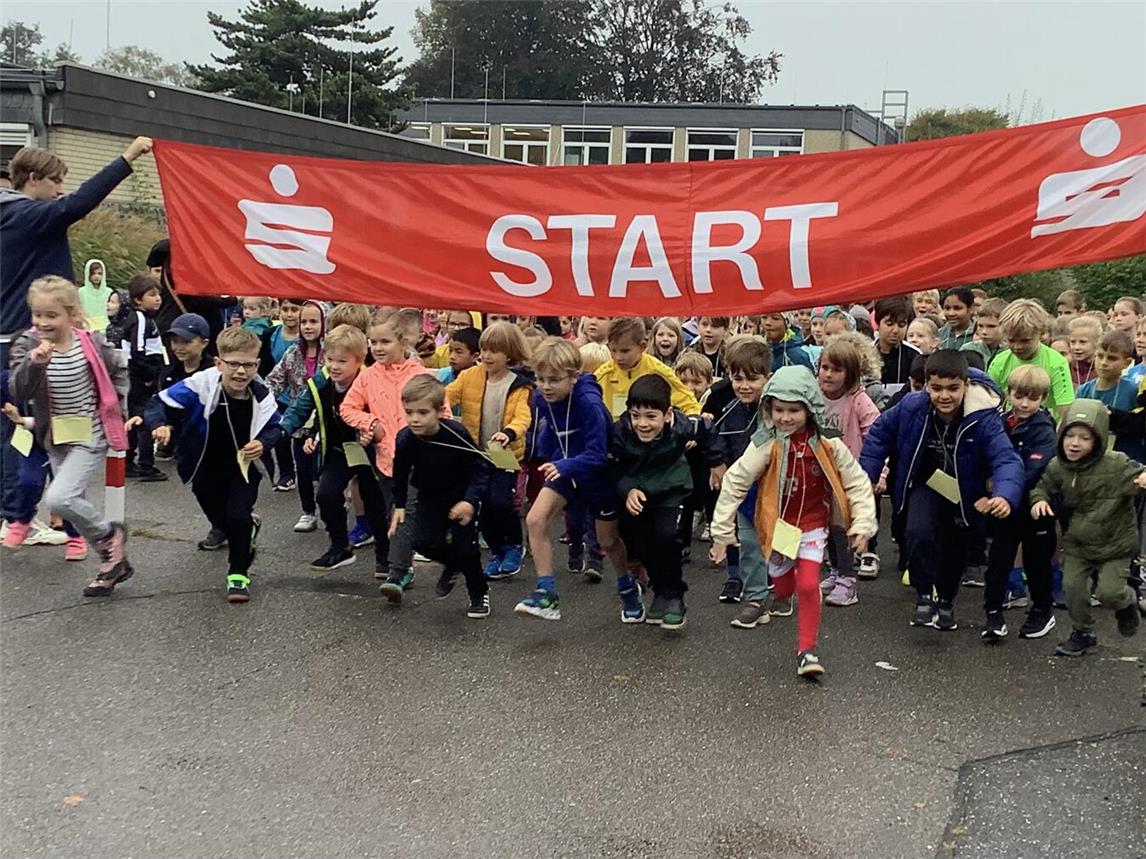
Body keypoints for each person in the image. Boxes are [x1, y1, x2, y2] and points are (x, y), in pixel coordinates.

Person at [0, 137, 151, 532]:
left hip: (9, 336)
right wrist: (127, 158)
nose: (60, 191)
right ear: (33, 179)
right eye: (55, 182)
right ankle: (28, 515)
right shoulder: (29, 214)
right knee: (52, 425)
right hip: (33, 340)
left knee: (21, 429)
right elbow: (79, 203)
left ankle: (34, 514)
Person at [711, 366, 877, 678]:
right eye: (779, 410)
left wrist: (863, 522)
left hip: (813, 524)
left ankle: (807, 650)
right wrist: (721, 529)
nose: (786, 418)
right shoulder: (766, 443)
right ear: (769, 410)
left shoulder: (828, 443)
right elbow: (736, 480)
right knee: (784, 583)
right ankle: (781, 590)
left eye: (794, 410)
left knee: (809, 583)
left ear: (810, 409)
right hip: (778, 527)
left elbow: (855, 480)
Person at [860, 350, 1025, 631]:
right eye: (936, 388)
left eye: (953, 388)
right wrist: (866, 478)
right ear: (926, 385)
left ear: (966, 385)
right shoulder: (912, 406)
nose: (944, 396)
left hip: (966, 490)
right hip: (927, 482)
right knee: (917, 533)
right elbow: (879, 435)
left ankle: (946, 600)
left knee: (953, 549)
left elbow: (1005, 458)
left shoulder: (982, 417)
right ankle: (924, 595)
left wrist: (1004, 494)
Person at [9, 276, 133, 597]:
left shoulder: (91, 341)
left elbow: (118, 369)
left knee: (60, 498)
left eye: (51, 315)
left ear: (70, 313)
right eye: (37, 314)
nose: (43, 322)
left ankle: (109, 537)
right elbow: (18, 388)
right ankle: (112, 564)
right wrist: (34, 364)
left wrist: (119, 408)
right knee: (71, 499)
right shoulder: (27, 343)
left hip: (91, 431)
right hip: (56, 434)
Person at [150, 326, 279, 602]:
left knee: (238, 516)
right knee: (219, 516)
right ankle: (241, 530)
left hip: (243, 468)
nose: (240, 372)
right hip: (204, 465)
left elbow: (277, 427)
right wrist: (160, 424)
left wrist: (264, 443)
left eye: (247, 365)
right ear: (219, 363)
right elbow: (159, 403)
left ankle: (238, 574)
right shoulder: (202, 385)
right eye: (233, 364)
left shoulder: (261, 394)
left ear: (257, 364)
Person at [1031, 400, 1145, 655]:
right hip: (1078, 544)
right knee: (1072, 590)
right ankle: (1083, 632)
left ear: (1099, 440)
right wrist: (1039, 501)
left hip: (1114, 543)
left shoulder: (1116, 463)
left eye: (1084, 438)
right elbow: (1042, 486)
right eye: (1070, 435)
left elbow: (1138, 476)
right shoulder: (1057, 466)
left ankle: (1127, 603)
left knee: (1109, 593)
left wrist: (1142, 479)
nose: (1074, 443)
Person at [340, 312, 447, 583]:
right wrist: (370, 422)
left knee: (406, 516)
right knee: (393, 515)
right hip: (386, 461)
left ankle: (397, 574)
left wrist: (431, 436)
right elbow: (348, 408)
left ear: (403, 341)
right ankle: (410, 564)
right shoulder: (368, 377)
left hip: (419, 461)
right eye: (372, 342)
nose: (377, 348)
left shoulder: (420, 374)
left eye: (385, 341)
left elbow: (443, 413)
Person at [515, 338, 615, 622]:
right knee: (535, 520)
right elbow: (553, 428)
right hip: (566, 467)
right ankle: (547, 594)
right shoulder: (540, 397)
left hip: (597, 472)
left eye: (554, 380)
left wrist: (565, 463)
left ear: (574, 376)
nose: (545, 386)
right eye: (540, 378)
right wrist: (546, 455)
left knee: (609, 539)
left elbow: (599, 454)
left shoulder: (588, 403)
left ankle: (627, 585)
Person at [612, 374, 717, 630]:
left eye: (651, 416)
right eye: (636, 415)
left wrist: (717, 463)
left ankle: (675, 596)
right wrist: (628, 489)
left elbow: (709, 431)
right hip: (639, 493)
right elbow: (612, 466)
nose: (642, 423)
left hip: (673, 490)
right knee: (641, 543)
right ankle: (660, 591)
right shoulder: (621, 432)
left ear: (667, 414)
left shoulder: (683, 425)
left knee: (668, 538)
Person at [389, 376, 492, 618]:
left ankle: (479, 592)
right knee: (423, 542)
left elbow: (481, 467)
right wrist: (400, 505)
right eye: (409, 412)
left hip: (461, 495)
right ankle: (453, 563)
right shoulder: (406, 438)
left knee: (466, 547)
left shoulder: (455, 433)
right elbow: (400, 472)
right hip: (430, 496)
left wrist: (469, 500)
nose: (415, 419)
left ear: (439, 411)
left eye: (423, 412)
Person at [445, 321, 533, 580]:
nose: (486, 356)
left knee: (501, 502)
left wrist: (509, 433)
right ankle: (497, 551)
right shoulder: (469, 375)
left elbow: (522, 417)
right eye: (483, 349)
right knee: (480, 504)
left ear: (509, 353)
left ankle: (514, 546)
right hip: (477, 454)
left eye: (494, 350)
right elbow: (447, 396)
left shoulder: (519, 385)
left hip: (505, 456)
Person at [981, 365, 1059, 643]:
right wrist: (989, 477)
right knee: (998, 561)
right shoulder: (1000, 422)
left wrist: (1003, 483)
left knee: (1037, 562)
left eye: (1033, 398)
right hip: (1005, 508)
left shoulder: (1044, 429)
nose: (1025, 403)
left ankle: (1041, 609)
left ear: (1043, 399)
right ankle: (992, 613)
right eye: (1019, 396)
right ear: (1009, 393)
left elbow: (1034, 468)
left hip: (1035, 505)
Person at [706, 338, 771, 617]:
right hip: (744, 488)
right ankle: (756, 598)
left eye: (752, 379)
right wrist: (716, 463)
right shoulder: (730, 408)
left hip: (775, 486)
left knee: (783, 543)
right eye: (737, 379)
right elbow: (714, 436)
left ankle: (782, 587)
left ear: (767, 377)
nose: (744, 386)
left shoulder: (776, 408)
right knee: (748, 541)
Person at [818, 338, 881, 603]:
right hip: (820, 472)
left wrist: (879, 474)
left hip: (847, 475)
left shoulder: (859, 401)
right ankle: (835, 569)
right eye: (824, 367)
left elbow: (877, 437)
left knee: (842, 526)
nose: (829, 374)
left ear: (851, 373)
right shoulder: (814, 398)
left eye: (837, 369)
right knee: (827, 526)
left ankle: (848, 578)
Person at [265, 300, 326, 525]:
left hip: (326, 423)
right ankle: (308, 512)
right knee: (302, 469)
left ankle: (333, 506)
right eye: (304, 322)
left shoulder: (331, 352)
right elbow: (274, 380)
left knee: (326, 471)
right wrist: (262, 400)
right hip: (300, 423)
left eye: (313, 321)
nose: (308, 327)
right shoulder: (292, 353)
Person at [595, 317, 700, 419]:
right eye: (613, 350)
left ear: (642, 346)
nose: (618, 357)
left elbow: (690, 405)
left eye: (625, 351)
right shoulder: (602, 375)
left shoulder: (658, 371)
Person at [989, 299, 1074, 421]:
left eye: (1025, 341)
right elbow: (987, 404)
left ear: (1041, 334)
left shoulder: (1057, 364)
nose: (1017, 347)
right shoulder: (999, 361)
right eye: (1011, 341)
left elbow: (1065, 411)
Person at [119, 274, 167, 482]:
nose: (157, 299)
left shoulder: (147, 319)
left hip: (142, 373)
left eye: (159, 294)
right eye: (152, 295)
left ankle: (128, 462)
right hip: (140, 376)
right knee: (145, 418)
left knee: (135, 417)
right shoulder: (139, 319)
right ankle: (144, 464)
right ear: (138, 299)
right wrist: (148, 375)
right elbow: (138, 351)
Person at [1076, 330, 1145, 462]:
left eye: (1112, 358)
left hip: (1125, 458)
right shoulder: (1083, 391)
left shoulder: (1133, 391)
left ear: (1127, 363)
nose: (1104, 362)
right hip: (1088, 456)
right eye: (1100, 356)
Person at [873, 297, 919, 389]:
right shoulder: (864, 353)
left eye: (901, 325)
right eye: (889, 324)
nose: (895, 330)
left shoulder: (915, 355)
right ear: (878, 324)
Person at [961, 297, 1007, 369]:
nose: (984, 332)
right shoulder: (968, 349)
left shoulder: (1012, 352)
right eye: (980, 326)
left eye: (991, 326)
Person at [78, 259, 113, 333]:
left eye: (100, 273)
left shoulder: (109, 292)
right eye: (93, 273)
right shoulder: (81, 292)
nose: (96, 276)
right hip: (87, 329)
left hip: (106, 328)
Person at [1066, 315, 1101, 388]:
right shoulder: (1066, 367)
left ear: (1097, 342)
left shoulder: (1102, 369)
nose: (1076, 347)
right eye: (1073, 342)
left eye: (1082, 342)